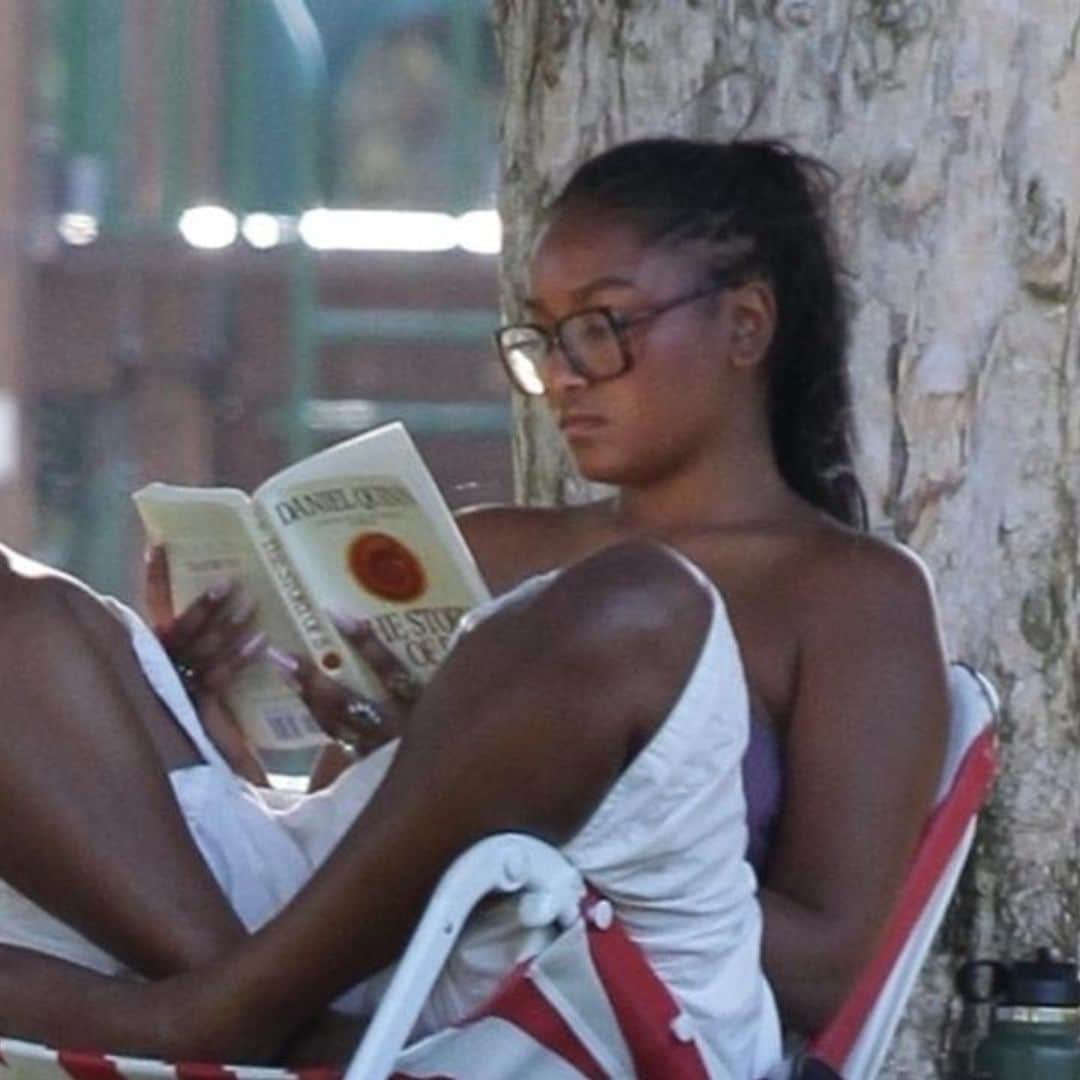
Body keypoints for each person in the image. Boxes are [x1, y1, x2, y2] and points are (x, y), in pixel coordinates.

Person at [0, 137, 949, 1076]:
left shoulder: (849, 594)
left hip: (614, 981)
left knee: (638, 603)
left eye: (604, 327)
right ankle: (230, 1013)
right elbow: (347, 848)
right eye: (542, 338)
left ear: (745, 325)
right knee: (24, 610)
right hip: (355, 971)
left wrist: (517, 802)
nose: (565, 374)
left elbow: (828, 973)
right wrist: (207, 731)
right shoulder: (491, 548)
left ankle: (209, 1020)